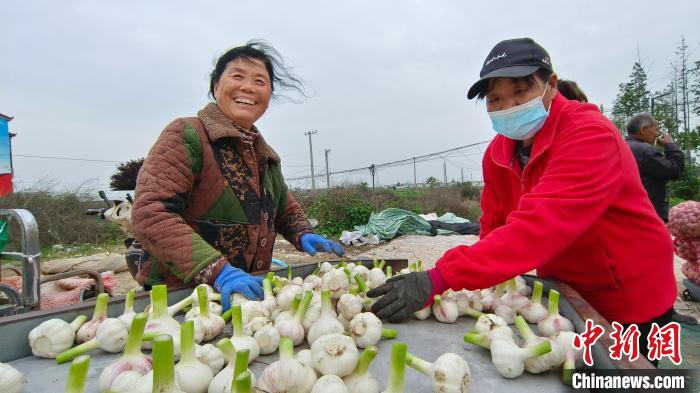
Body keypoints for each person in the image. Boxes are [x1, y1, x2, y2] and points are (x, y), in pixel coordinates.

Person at [368, 38, 676, 366]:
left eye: (520, 92)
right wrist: (480, 280)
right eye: (496, 99)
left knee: (623, 375)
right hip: (564, 288)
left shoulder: (589, 135)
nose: (509, 106)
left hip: (627, 292)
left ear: (551, 85)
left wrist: (440, 277)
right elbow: (495, 227)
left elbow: (539, 226)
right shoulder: (498, 154)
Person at [131, 40, 344, 311]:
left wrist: (302, 233)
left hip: (246, 291)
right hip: (183, 297)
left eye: (260, 81)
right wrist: (218, 271)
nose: (248, 87)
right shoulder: (187, 135)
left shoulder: (264, 155)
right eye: (237, 76)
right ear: (215, 86)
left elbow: (282, 207)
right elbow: (151, 213)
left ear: (268, 94)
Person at [624, 113, 685, 222]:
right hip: (648, 213)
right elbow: (675, 170)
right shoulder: (646, 151)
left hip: (626, 211)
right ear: (643, 130)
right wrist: (670, 145)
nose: (657, 135)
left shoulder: (621, 146)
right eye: (656, 130)